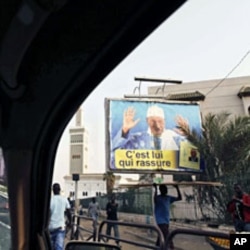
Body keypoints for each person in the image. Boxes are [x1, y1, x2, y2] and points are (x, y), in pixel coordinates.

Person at [112, 105, 189, 151]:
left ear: (164, 121)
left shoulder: (174, 137)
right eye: (153, 121)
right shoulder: (137, 139)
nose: (157, 126)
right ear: (147, 121)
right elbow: (115, 151)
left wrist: (188, 135)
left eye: (160, 121)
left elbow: (195, 155)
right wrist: (125, 130)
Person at [153, 183, 182, 250]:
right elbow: (155, 199)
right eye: (163, 189)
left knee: (161, 236)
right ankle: (171, 248)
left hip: (166, 221)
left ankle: (156, 247)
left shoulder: (168, 198)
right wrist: (155, 189)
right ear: (161, 190)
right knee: (168, 236)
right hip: (160, 221)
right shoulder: (158, 198)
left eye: (166, 189)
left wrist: (177, 188)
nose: (165, 190)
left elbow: (180, 198)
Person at [49, 183, 71, 250]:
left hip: (50, 228)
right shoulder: (64, 200)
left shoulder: (50, 200)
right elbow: (69, 212)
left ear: (53, 190)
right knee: (59, 248)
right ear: (59, 190)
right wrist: (70, 222)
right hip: (60, 228)